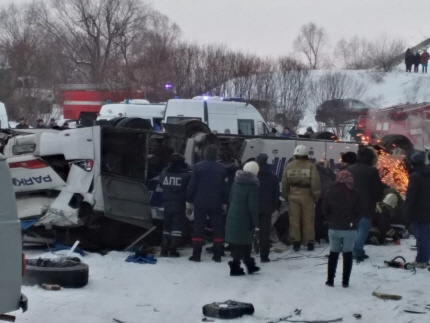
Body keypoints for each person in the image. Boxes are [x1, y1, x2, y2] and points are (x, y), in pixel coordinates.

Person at [187, 144, 228, 262]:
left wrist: (189, 202)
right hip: (216, 202)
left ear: (205, 154)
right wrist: (224, 203)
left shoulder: (198, 167)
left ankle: (196, 255)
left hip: (200, 202)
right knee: (218, 228)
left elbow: (192, 186)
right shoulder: (222, 168)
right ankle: (218, 255)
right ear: (216, 155)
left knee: (198, 228)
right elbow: (225, 189)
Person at [323, 170, 361, 288]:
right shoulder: (354, 192)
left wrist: (330, 219)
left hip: (334, 227)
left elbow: (324, 208)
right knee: (347, 254)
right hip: (350, 229)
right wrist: (353, 221)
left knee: (333, 253)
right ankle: (345, 281)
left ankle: (330, 280)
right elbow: (359, 211)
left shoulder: (330, 191)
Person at [345, 147, 384, 261]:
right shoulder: (371, 171)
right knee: (363, 228)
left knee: (352, 228)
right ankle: (357, 251)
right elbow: (377, 188)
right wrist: (378, 198)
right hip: (366, 204)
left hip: (350, 203)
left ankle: (351, 249)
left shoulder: (349, 169)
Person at [282, 145, 321, 252]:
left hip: (293, 194)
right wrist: (316, 197)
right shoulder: (310, 166)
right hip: (307, 195)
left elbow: (285, 183)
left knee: (294, 220)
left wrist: (286, 196)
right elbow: (315, 183)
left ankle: (296, 243)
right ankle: (309, 243)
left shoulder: (289, 166)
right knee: (308, 219)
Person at [225, 161, 260, 276]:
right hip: (245, 218)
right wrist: (256, 223)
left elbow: (230, 198)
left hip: (233, 215)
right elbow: (253, 207)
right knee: (242, 243)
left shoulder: (236, 182)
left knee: (241, 242)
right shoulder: (252, 186)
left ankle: (249, 264)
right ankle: (235, 267)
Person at [159, 153, 192, 257]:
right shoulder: (186, 175)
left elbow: (161, 184)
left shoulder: (164, 173)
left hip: (166, 203)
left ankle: (164, 250)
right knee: (177, 228)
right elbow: (189, 188)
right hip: (179, 203)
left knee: (166, 227)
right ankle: (173, 250)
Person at [404, 151, 430, 268]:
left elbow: (411, 197)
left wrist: (407, 214)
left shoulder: (415, 176)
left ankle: (422, 260)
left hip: (419, 212)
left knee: (421, 237)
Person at [256, 153, 280, 262]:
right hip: (266, 208)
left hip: (253, 207)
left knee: (248, 229)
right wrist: (274, 207)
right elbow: (276, 194)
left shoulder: (252, 175)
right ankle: (264, 256)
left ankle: (245, 253)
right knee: (265, 233)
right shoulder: (272, 176)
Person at [314, 159, 336, 243]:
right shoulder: (329, 171)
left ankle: (318, 236)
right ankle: (327, 236)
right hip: (329, 196)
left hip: (319, 197)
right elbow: (335, 180)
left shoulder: (314, 172)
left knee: (318, 218)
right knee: (328, 217)